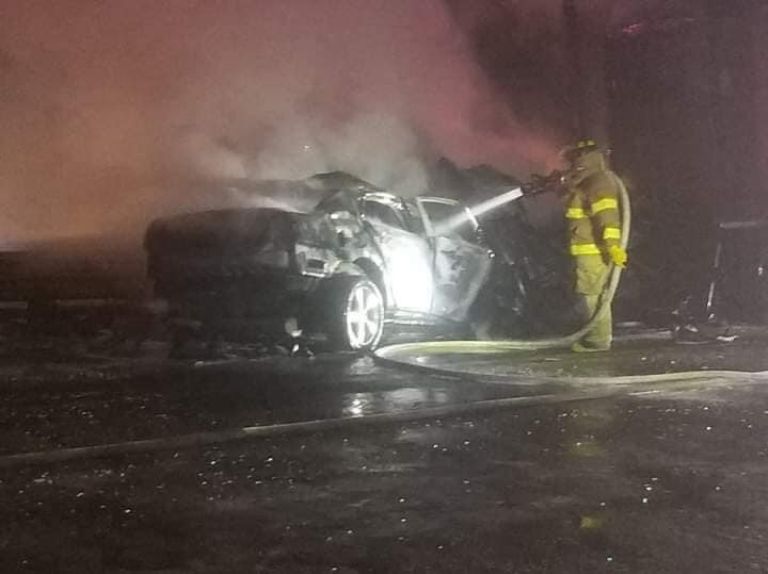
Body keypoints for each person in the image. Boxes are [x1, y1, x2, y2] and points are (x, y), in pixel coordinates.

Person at [562, 139, 628, 352]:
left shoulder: (598, 182)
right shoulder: (588, 181)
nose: (570, 163)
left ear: (581, 157)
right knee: (593, 293)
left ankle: (597, 340)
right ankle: (597, 337)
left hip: (594, 251)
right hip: (588, 250)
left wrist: (613, 247)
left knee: (592, 294)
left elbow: (608, 216)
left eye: (573, 158)